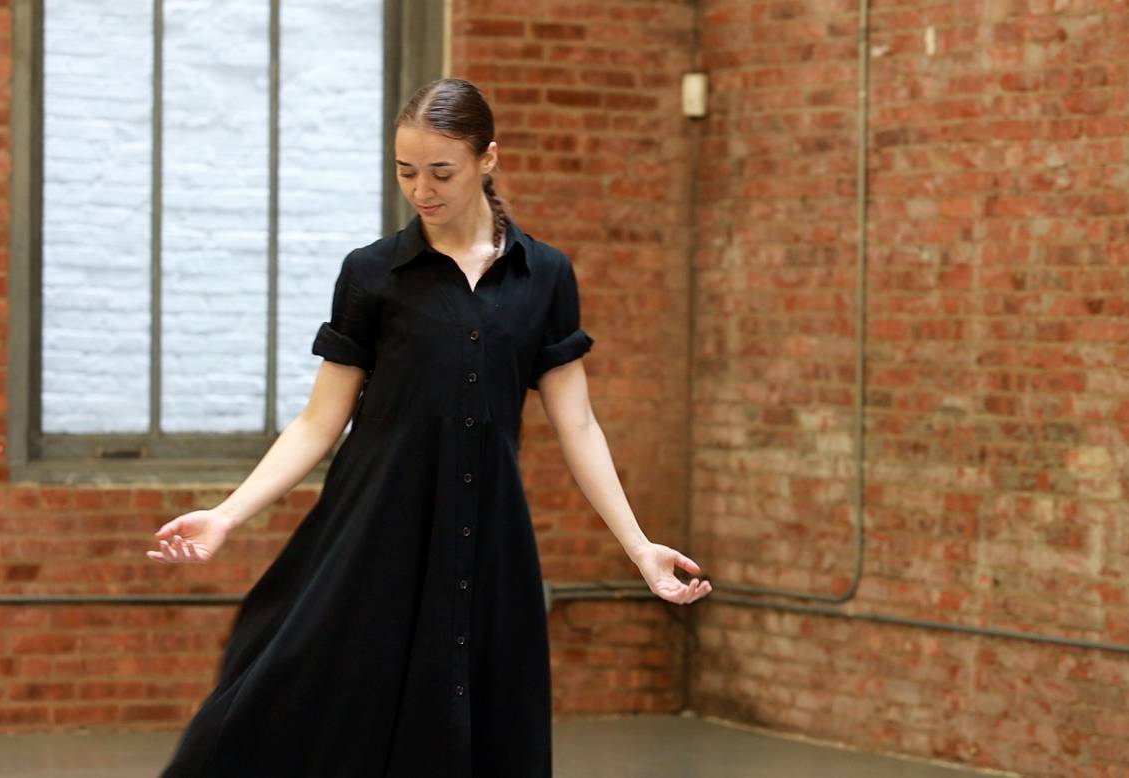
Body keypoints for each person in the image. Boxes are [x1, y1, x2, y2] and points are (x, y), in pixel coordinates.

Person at [146, 77, 711, 777]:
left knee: (478, 717)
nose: (422, 189)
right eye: (405, 171)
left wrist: (638, 547)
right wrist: (228, 516)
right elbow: (320, 423)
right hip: (373, 528)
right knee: (295, 694)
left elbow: (580, 425)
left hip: (488, 535)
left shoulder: (544, 277)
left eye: (441, 172)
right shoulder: (371, 275)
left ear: (488, 160)